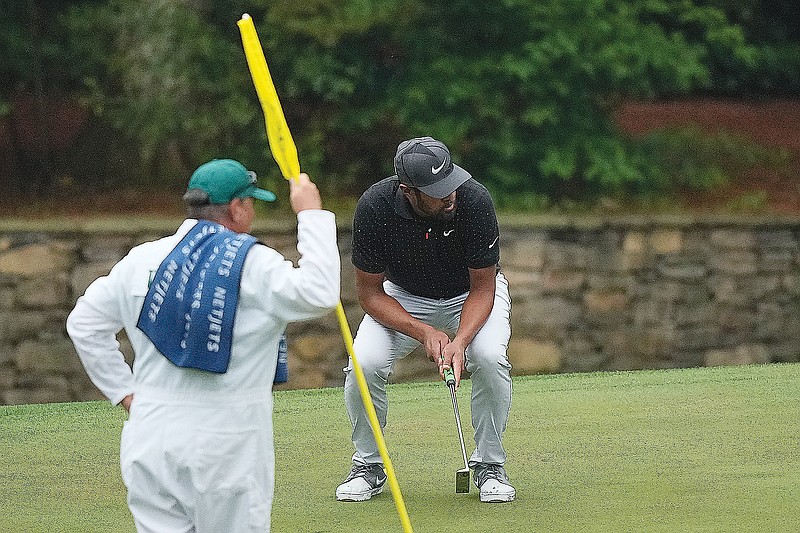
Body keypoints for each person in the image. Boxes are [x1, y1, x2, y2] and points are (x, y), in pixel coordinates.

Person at [67, 159, 340, 532]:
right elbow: (319, 293)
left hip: (150, 431)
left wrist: (124, 391)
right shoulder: (253, 262)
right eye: (251, 203)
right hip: (227, 438)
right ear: (236, 208)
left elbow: (83, 323)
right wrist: (312, 215)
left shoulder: (142, 258)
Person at [336, 137, 514, 503]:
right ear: (408, 191)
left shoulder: (474, 199)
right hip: (402, 295)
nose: (449, 194)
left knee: (489, 357)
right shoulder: (375, 206)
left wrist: (460, 342)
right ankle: (368, 464)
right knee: (363, 363)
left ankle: (489, 465)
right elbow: (369, 294)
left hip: (469, 293)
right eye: (436, 190)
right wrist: (424, 332)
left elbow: (484, 288)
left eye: (449, 180)